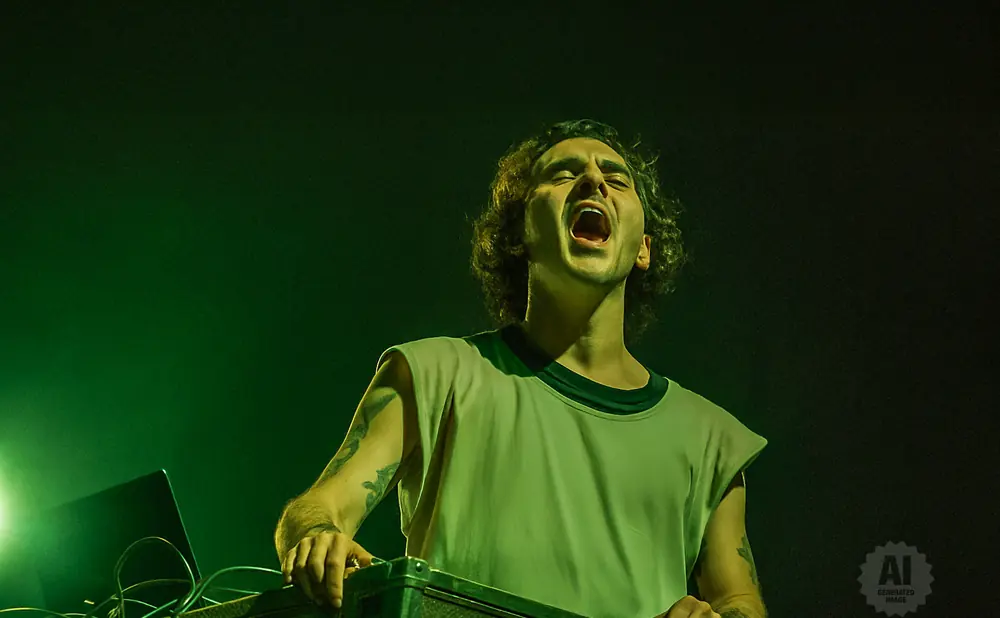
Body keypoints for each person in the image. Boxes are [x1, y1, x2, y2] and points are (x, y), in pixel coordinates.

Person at [274, 119, 768, 618]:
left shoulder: (710, 440)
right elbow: (319, 508)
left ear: (643, 247)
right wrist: (318, 538)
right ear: (519, 233)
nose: (594, 181)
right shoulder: (430, 375)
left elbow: (740, 601)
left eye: (617, 180)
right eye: (563, 173)